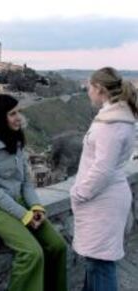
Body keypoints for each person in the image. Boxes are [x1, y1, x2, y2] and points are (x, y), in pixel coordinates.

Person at [0, 93, 67, 291]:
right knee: (32, 253)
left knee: (57, 246)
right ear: (0, 117)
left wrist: (36, 207)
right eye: (12, 113)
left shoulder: (16, 139)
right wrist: (25, 216)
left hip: (18, 200)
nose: (18, 118)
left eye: (19, 112)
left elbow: (26, 183)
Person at [70, 67, 137, 291]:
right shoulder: (117, 118)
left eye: (89, 86)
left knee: (100, 263)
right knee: (96, 261)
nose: (87, 91)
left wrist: (79, 193)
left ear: (99, 89)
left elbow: (102, 169)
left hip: (102, 200)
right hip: (106, 198)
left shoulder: (112, 123)